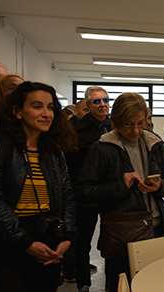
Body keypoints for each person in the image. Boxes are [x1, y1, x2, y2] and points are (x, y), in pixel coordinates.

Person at [74, 92, 164, 292]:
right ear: (117, 120)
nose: (136, 130)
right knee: (122, 286)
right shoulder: (103, 148)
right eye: (129, 124)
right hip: (123, 233)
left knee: (156, 285)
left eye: (141, 123)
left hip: (157, 228)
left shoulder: (155, 144)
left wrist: (160, 186)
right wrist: (121, 186)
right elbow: (83, 192)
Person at [0, 81, 77, 291]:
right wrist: (25, 243)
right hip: (8, 244)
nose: (46, 114)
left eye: (50, 107)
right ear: (18, 112)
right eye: (37, 106)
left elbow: (68, 197)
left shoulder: (53, 152)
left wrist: (68, 236)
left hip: (48, 241)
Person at [62, 85, 112, 289]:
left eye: (106, 100)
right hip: (86, 193)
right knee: (83, 242)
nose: (102, 105)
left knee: (114, 240)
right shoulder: (74, 131)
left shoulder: (115, 128)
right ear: (88, 105)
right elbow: (69, 166)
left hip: (112, 191)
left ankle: (114, 280)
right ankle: (83, 282)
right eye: (97, 101)